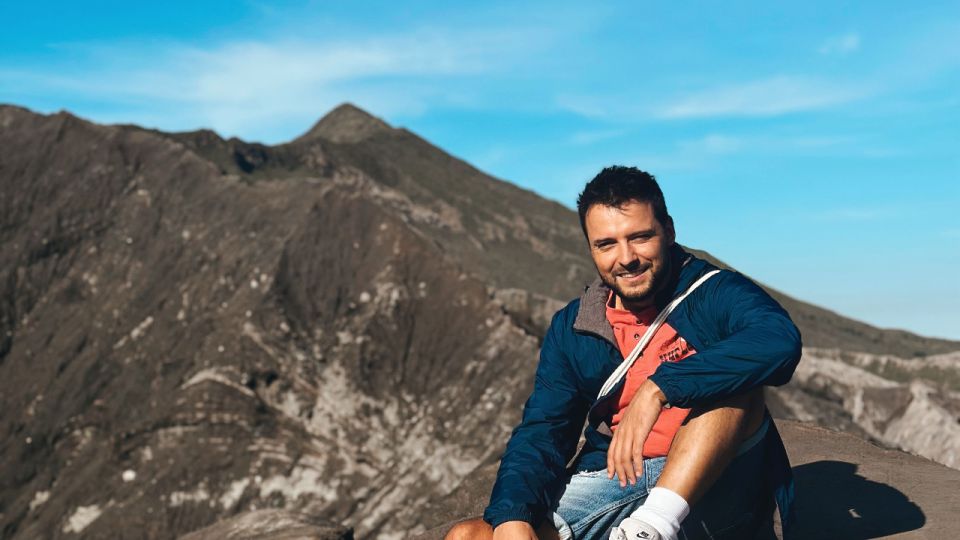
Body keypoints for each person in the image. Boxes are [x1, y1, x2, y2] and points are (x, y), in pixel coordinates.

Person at [445, 166, 801, 540]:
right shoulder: (576, 325)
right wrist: (513, 517)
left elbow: (778, 341)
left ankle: (651, 528)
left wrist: (659, 388)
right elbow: (544, 431)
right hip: (618, 477)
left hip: (716, 482)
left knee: (734, 384)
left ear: (669, 231)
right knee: (470, 536)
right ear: (591, 249)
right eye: (606, 244)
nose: (626, 257)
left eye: (640, 237)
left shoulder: (713, 293)